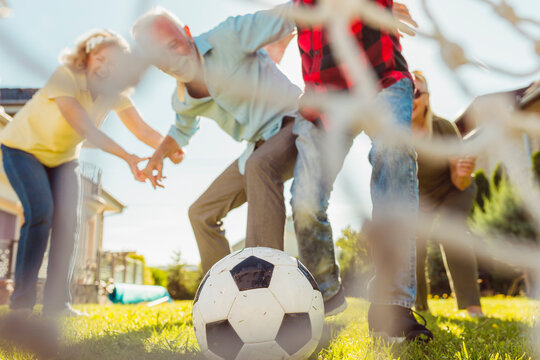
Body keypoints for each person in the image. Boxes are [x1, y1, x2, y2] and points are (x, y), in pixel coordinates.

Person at [0, 29, 181, 317]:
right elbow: (84, 127)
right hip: (22, 149)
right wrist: (128, 157)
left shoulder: (114, 93)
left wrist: (170, 148)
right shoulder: (66, 76)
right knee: (41, 213)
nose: (107, 67)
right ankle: (21, 305)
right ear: (87, 57)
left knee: (68, 225)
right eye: (101, 59)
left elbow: (144, 130)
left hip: (62, 159)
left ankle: (57, 305)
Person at [289, 0, 433, 341]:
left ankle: (391, 306)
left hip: (381, 81)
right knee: (305, 202)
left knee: (394, 153)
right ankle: (326, 296)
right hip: (325, 101)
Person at [131, 7, 301, 277]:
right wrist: (157, 157)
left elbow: (291, 13)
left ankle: (268, 280)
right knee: (200, 213)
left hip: (295, 122)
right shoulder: (183, 100)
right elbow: (181, 131)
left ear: (187, 33)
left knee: (259, 165)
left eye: (173, 45)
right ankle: (221, 290)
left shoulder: (228, 36)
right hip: (257, 147)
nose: (172, 61)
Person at [411, 71, 484, 316]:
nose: (410, 99)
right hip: (421, 200)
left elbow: (459, 180)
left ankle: (471, 306)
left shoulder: (443, 128)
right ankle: (419, 306)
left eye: (416, 93)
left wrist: (464, 172)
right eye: (404, 93)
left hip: (452, 190)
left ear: (427, 98)